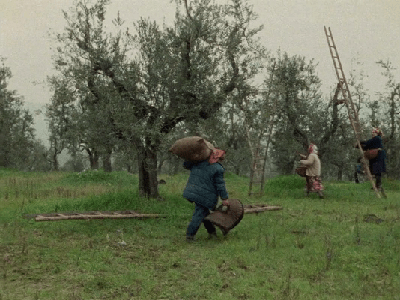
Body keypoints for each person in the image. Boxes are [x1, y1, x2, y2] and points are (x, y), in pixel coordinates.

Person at [183, 149, 229, 241]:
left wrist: (190, 157)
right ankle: (190, 236)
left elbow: (186, 165)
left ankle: (212, 232)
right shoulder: (218, 168)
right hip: (204, 196)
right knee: (199, 214)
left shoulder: (198, 162)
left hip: (193, 192)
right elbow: (220, 185)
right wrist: (225, 198)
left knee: (204, 213)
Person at [360, 127, 386, 195]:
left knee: (377, 171)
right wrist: (363, 146)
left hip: (378, 156)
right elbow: (368, 145)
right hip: (375, 156)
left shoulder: (377, 138)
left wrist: (360, 142)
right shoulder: (376, 139)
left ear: (377, 133)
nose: (372, 133)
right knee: (375, 171)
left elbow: (368, 143)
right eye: (372, 132)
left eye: (373, 132)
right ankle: (378, 186)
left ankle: (378, 186)